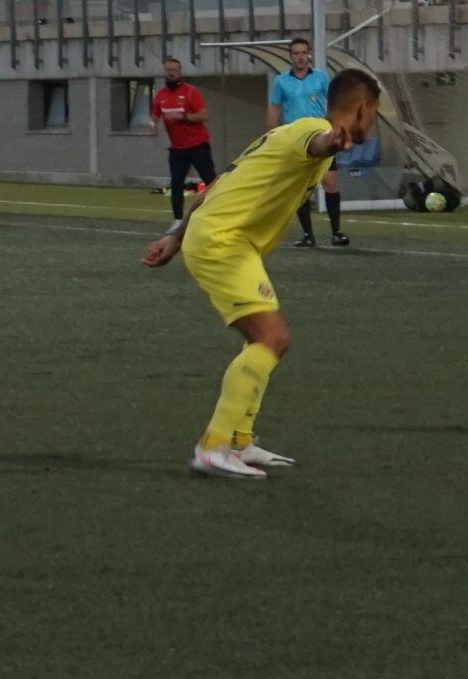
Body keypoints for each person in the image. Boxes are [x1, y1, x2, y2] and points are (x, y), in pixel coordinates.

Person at [140, 70, 381, 479]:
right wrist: (330, 142)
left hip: (229, 240)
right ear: (363, 107)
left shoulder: (283, 135)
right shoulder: (313, 132)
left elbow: (219, 183)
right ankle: (212, 447)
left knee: (268, 341)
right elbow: (317, 144)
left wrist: (176, 237)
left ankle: (238, 441)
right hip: (222, 241)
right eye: (373, 114)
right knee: (272, 337)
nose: (371, 123)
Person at [267, 38, 349, 248]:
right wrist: (271, 134)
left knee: (330, 183)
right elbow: (275, 108)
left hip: (322, 137)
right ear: (290, 56)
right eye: (296, 53)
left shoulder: (321, 78)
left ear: (309, 54)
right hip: (296, 141)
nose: (301, 57)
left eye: (304, 52)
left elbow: (333, 103)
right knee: (300, 189)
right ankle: (308, 235)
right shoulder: (281, 81)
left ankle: (336, 232)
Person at [150, 58, 217, 221]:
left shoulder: (190, 92)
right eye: (168, 70)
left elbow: (204, 115)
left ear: (180, 72)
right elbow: (155, 114)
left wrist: (183, 116)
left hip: (198, 145)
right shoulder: (160, 95)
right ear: (164, 72)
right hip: (177, 149)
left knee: (212, 182)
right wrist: (152, 123)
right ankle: (177, 221)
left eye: (174, 70)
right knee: (176, 185)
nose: (171, 73)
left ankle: (217, 214)